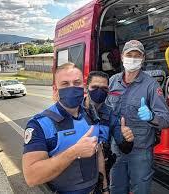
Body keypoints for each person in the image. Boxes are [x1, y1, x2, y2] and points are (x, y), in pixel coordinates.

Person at [22, 62, 108, 194]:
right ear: (55, 89)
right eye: (65, 84)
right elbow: (32, 177)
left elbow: (98, 152)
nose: (72, 88)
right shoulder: (40, 125)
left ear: (84, 88)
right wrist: (74, 152)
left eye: (77, 83)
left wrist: (104, 187)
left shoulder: (91, 116)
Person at [106, 40, 169, 194]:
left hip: (140, 150)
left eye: (137, 55)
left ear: (143, 59)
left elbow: (166, 119)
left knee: (140, 190)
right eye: (130, 54)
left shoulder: (151, 85)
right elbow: (105, 111)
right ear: (122, 57)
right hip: (117, 147)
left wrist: (151, 117)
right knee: (116, 188)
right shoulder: (112, 81)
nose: (133, 58)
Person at [83, 71, 135, 187]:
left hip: (101, 174)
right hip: (77, 173)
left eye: (104, 89)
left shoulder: (111, 114)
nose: (99, 91)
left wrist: (128, 139)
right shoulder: (75, 111)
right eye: (95, 87)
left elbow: (124, 148)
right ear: (86, 88)